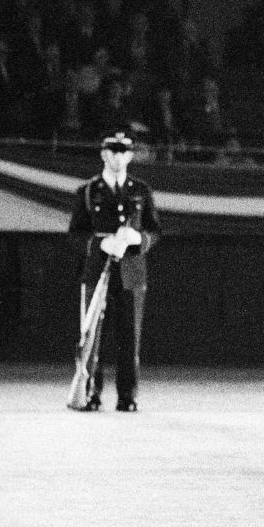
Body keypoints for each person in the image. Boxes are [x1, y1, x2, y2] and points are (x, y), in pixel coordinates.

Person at [66, 130, 161, 412]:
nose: (118, 157)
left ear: (130, 155)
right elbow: (75, 234)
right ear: (103, 154)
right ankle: (91, 392)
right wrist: (100, 242)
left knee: (129, 337)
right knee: (92, 335)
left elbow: (154, 229)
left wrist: (139, 239)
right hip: (97, 270)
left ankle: (127, 395)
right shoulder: (87, 191)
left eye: (123, 151)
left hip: (131, 272)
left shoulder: (140, 190)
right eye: (112, 151)